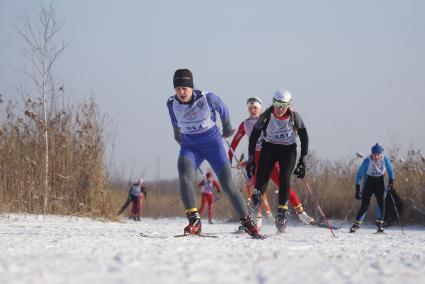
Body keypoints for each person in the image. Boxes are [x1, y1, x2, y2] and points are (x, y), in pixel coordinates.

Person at [166, 68, 263, 238]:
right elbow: (175, 121)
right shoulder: (171, 102)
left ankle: (247, 222)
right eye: (178, 88)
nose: (181, 92)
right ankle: (194, 221)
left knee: (227, 184)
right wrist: (177, 136)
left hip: (213, 144)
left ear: (191, 86)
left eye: (185, 88)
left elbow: (223, 108)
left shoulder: (206, 97)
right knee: (185, 175)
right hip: (190, 147)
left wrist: (226, 126)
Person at [228, 96, 315, 227]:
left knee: (283, 182)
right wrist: (229, 156)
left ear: (260, 108)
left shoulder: (268, 117)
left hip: (269, 155)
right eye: (250, 108)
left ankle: (301, 212)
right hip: (257, 158)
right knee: (257, 187)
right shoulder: (245, 123)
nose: (252, 110)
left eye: (255, 107)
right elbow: (235, 140)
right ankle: (256, 218)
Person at [246, 90, 309, 233]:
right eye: (277, 104)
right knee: (261, 180)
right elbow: (254, 137)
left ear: (288, 105)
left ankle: (282, 214)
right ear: (273, 103)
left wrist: (302, 160)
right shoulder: (267, 115)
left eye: (283, 105)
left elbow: (304, 137)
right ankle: (254, 211)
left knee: (284, 177)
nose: (279, 109)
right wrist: (250, 158)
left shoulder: (294, 116)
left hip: (288, 150)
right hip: (269, 149)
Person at [350, 143, 395, 233]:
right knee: (365, 205)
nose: (375, 157)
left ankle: (380, 224)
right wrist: (357, 189)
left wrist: (391, 183)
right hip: (369, 182)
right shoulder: (367, 161)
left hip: (380, 182)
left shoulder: (385, 160)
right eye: (374, 154)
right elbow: (359, 175)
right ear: (372, 154)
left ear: (380, 154)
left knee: (381, 204)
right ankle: (356, 224)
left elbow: (391, 172)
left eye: (377, 154)